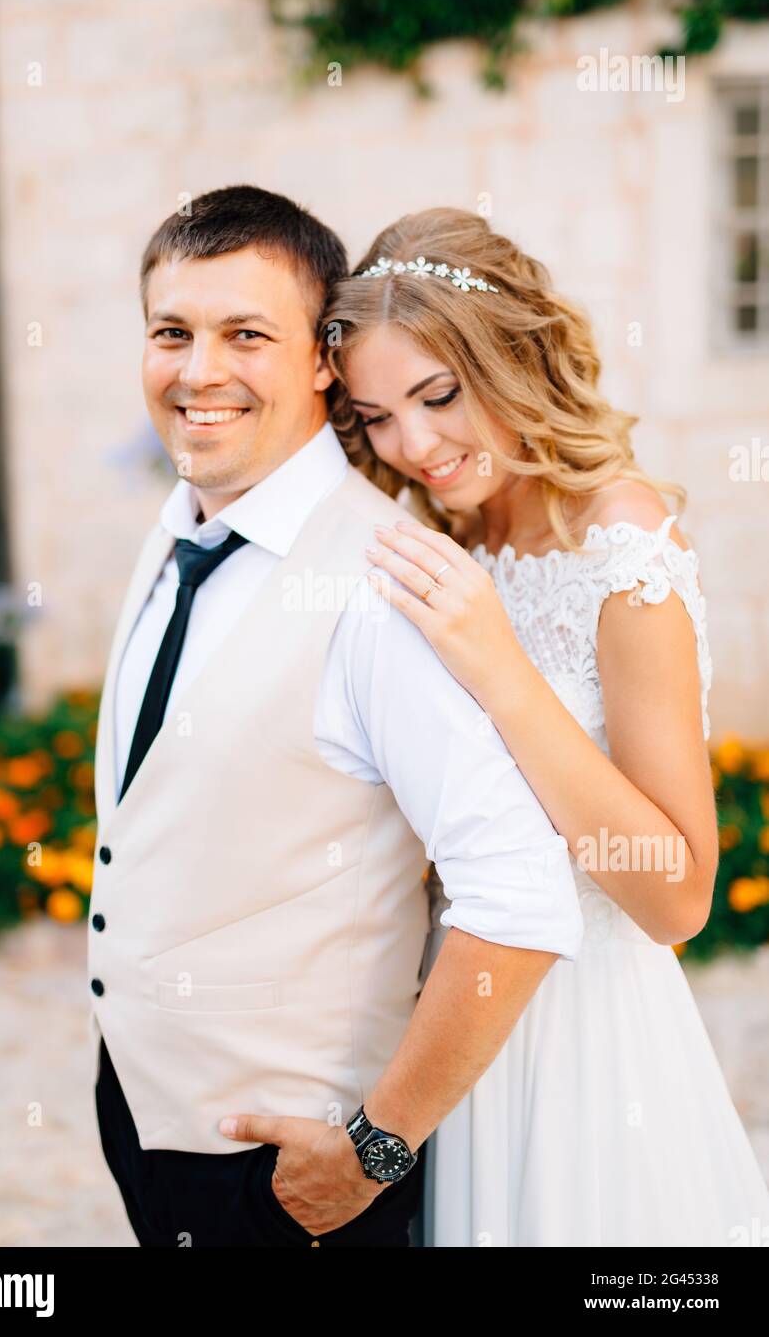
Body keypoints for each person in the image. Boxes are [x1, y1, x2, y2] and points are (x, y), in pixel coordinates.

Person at [87, 185, 583, 1248]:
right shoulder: (180, 522)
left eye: (245, 335)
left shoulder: (381, 585)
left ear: (320, 359)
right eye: (171, 331)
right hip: (142, 1111)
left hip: (288, 1174)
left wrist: (376, 1147)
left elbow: (521, 897)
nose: (197, 371)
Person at [321, 204, 769, 1246]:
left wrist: (502, 671)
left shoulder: (622, 543)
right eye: (376, 415)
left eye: (438, 395)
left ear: (512, 356)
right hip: (455, 1022)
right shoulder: (443, 531)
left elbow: (676, 895)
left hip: (586, 1034)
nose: (414, 444)